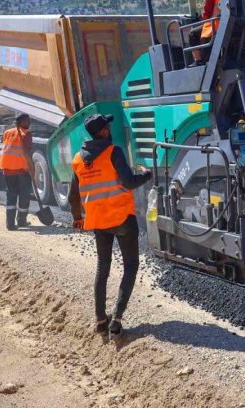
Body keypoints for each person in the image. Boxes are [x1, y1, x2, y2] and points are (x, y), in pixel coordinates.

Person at [68, 114, 153, 340]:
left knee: (102, 268)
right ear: (104, 132)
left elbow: (72, 196)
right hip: (122, 219)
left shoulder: (78, 159)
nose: (109, 129)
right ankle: (116, 320)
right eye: (107, 126)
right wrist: (146, 175)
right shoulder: (113, 152)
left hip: (98, 222)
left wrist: (77, 218)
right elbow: (128, 182)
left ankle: (100, 321)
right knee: (131, 266)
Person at [0, 113, 35, 230]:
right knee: (24, 196)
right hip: (21, 169)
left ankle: (10, 224)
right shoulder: (26, 134)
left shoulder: (7, 132)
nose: (29, 123)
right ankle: (21, 221)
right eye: (27, 121)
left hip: (7, 169)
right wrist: (32, 166)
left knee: (11, 196)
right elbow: (27, 152)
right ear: (21, 122)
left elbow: (3, 146)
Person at [188, 0, 223, 64]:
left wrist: (201, 18)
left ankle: (198, 61)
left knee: (192, 33)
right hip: (234, 25)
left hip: (216, 27)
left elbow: (207, 12)